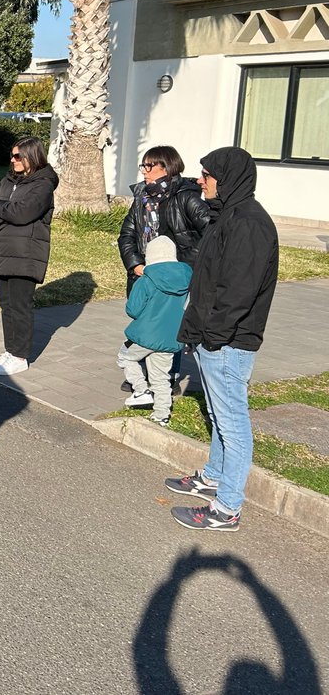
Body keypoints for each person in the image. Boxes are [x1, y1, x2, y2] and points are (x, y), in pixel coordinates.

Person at [166, 147, 278, 532]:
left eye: (207, 174)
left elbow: (238, 292)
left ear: (227, 179)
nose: (201, 179)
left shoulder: (249, 223)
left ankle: (227, 508)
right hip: (213, 337)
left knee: (232, 422)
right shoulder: (227, 215)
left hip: (229, 341)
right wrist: (196, 332)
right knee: (217, 413)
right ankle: (213, 476)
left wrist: (212, 337)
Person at [117, 144, 211, 398]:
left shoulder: (186, 196)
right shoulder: (141, 197)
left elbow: (211, 231)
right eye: (143, 165)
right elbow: (127, 235)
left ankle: (167, 377)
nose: (144, 171)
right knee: (146, 319)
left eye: (150, 166)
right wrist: (136, 264)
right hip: (146, 273)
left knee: (171, 324)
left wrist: (188, 266)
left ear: (166, 167)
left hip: (175, 276)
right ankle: (146, 373)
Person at [0, 136, 58, 376]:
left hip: (25, 254)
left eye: (17, 156)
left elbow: (23, 213)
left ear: (31, 156)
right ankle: (10, 350)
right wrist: (3, 217)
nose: (12, 160)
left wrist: (1, 213)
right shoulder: (8, 180)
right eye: (12, 155)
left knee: (20, 305)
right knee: (6, 304)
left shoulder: (43, 185)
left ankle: (20, 356)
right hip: (2, 252)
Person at [117, 236, 191, 427]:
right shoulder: (186, 281)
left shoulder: (146, 280)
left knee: (125, 357)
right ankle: (162, 415)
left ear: (150, 257)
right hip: (171, 338)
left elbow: (132, 309)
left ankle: (141, 390)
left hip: (145, 335)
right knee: (161, 377)